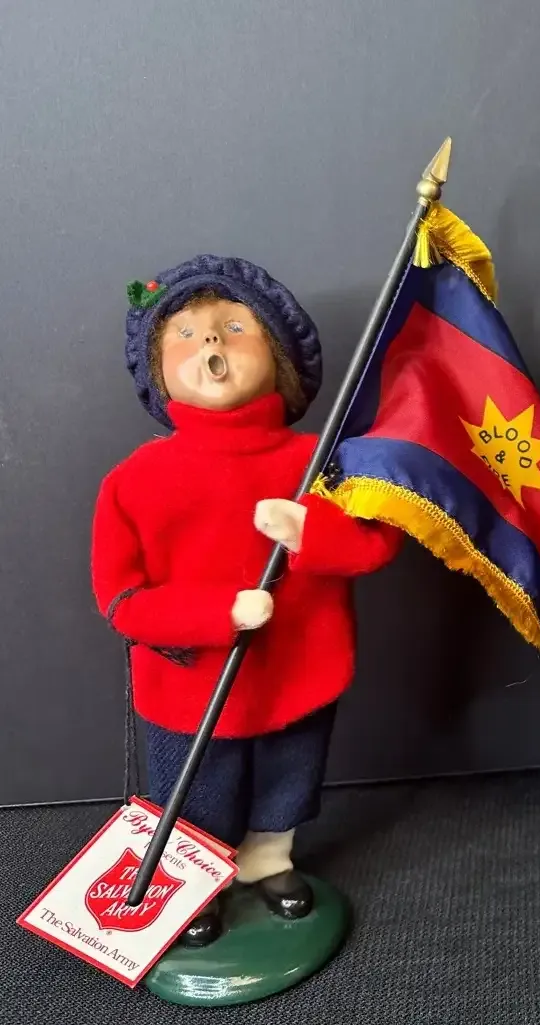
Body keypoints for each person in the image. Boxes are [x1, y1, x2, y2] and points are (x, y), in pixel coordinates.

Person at [92, 257, 402, 946]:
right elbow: (121, 600)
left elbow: (376, 543)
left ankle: (269, 857)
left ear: (280, 356)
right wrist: (219, 614)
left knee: (289, 773)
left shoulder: (321, 464)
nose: (211, 342)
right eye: (186, 333)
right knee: (197, 790)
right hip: (191, 687)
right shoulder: (133, 481)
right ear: (158, 368)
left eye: (234, 327)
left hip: (301, 670)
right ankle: (193, 875)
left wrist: (309, 532)